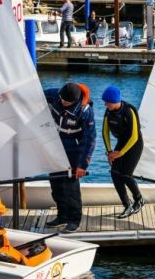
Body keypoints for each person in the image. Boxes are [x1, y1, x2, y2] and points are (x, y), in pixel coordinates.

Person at [43, 82, 96, 232]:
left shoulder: (85, 111)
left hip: (75, 149)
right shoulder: (55, 95)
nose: (63, 103)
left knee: (71, 187)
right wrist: (11, 96)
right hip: (56, 146)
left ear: (75, 101)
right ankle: (62, 216)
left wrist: (83, 165)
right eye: (62, 100)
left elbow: (90, 139)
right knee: (56, 184)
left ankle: (74, 219)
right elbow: (34, 95)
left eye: (67, 101)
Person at [101, 85, 144, 218]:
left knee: (126, 174)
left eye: (107, 102)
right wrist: (109, 151)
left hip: (134, 144)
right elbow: (104, 132)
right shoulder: (108, 112)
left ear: (114, 101)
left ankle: (139, 199)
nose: (105, 104)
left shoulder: (128, 111)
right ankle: (127, 205)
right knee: (114, 173)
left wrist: (120, 153)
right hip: (121, 143)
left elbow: (134, 136)